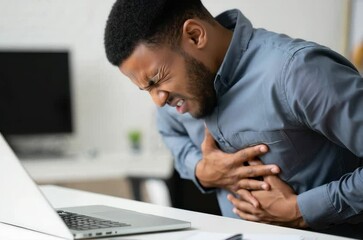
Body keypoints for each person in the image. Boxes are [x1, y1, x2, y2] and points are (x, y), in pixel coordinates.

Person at [103, 0, 363, 238]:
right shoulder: (175, 95)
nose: (158, 100)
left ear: (195, 35)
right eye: (146, 89)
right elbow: (169, 129)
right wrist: (201, 170)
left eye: (156, 80)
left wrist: (301, 209)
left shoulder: (298, 73)